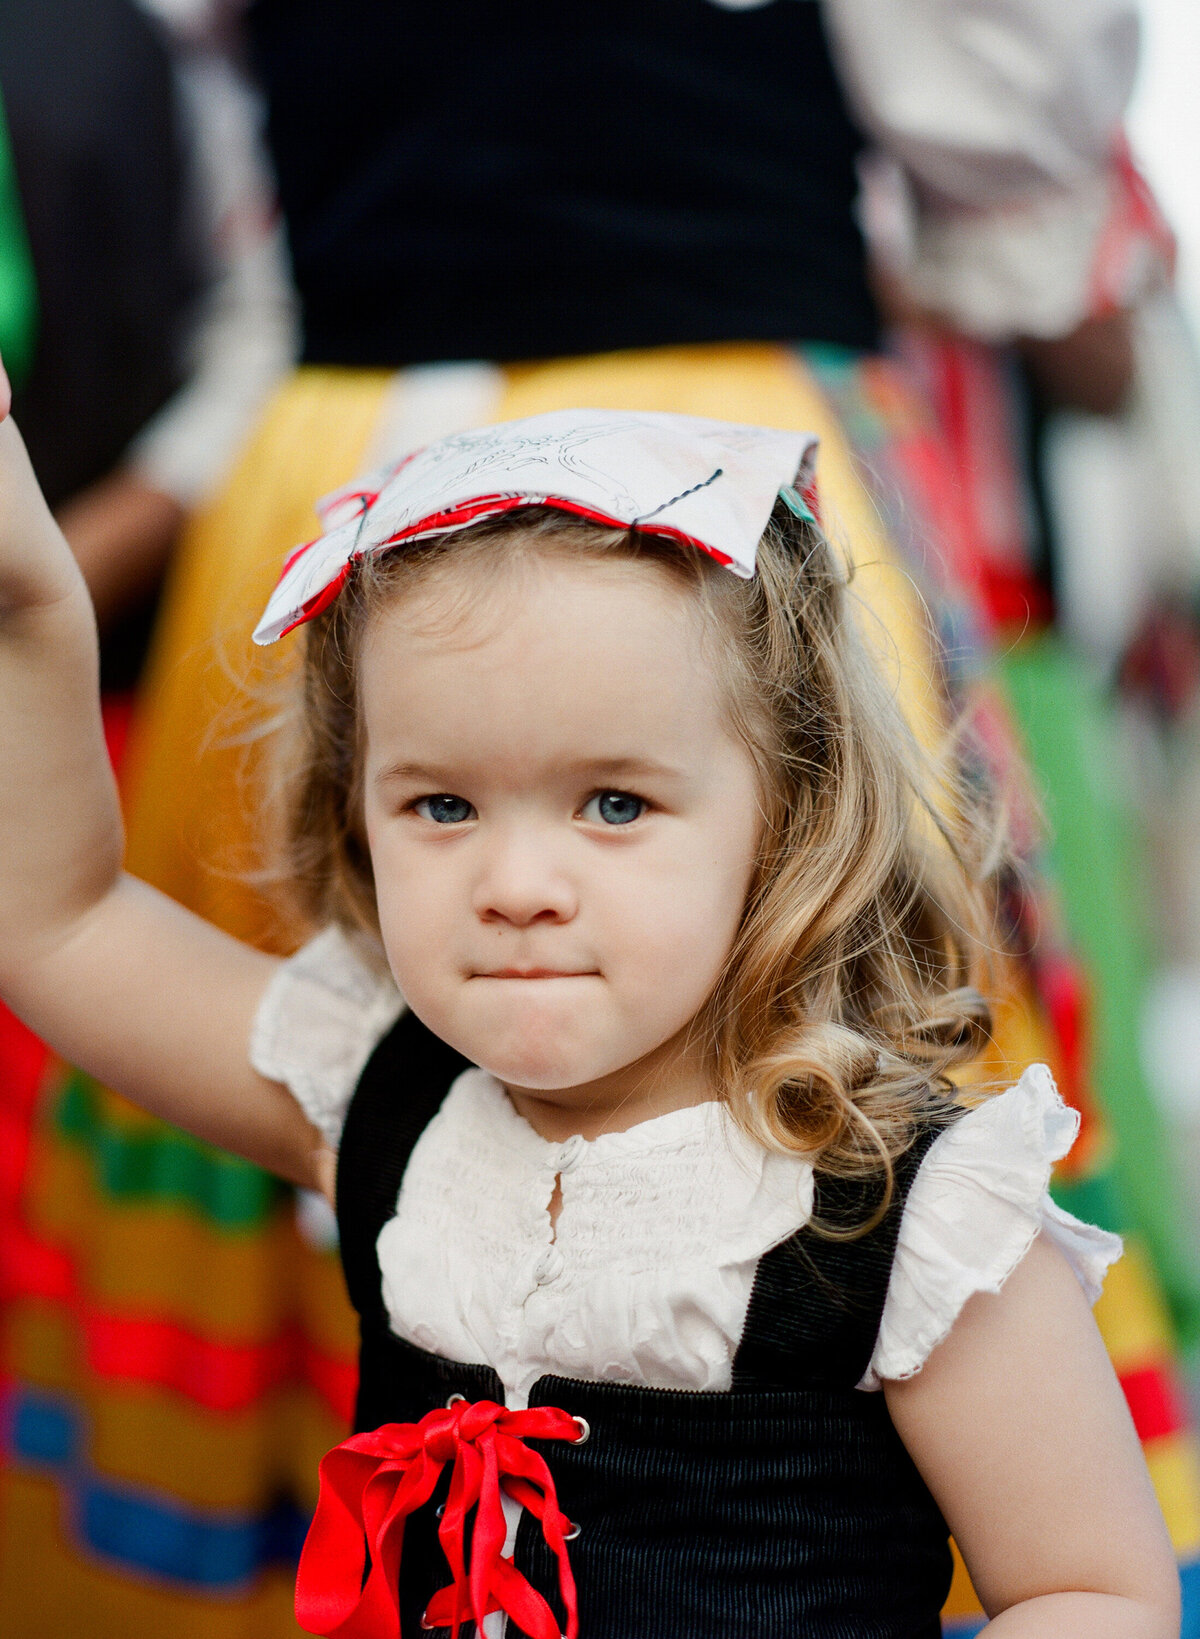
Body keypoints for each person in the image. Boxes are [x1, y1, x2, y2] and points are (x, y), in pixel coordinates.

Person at [0, 378, 1181, 1636]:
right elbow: (61, 923)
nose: (515, 887)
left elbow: (1092, 1590)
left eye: (614, 804)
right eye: (441, 805)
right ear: (359, 802)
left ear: (785, 813)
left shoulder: (905, 1211)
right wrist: (28, 591)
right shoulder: (381, 1092)